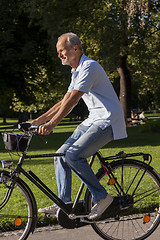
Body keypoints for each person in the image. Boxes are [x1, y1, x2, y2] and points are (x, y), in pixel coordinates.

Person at [30, 33, 127, 220]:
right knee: (60, 156)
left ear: (75, 48)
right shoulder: (76, 71)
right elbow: (64, 101)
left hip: (107, 120)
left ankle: (103, 198)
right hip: (93, 119)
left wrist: (52, 124)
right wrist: (37, 121)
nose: (59, 55)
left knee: (73, 155)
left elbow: (74, 100)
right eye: (58, 52)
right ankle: (64, 205)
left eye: (62, 50)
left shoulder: (89, 67)